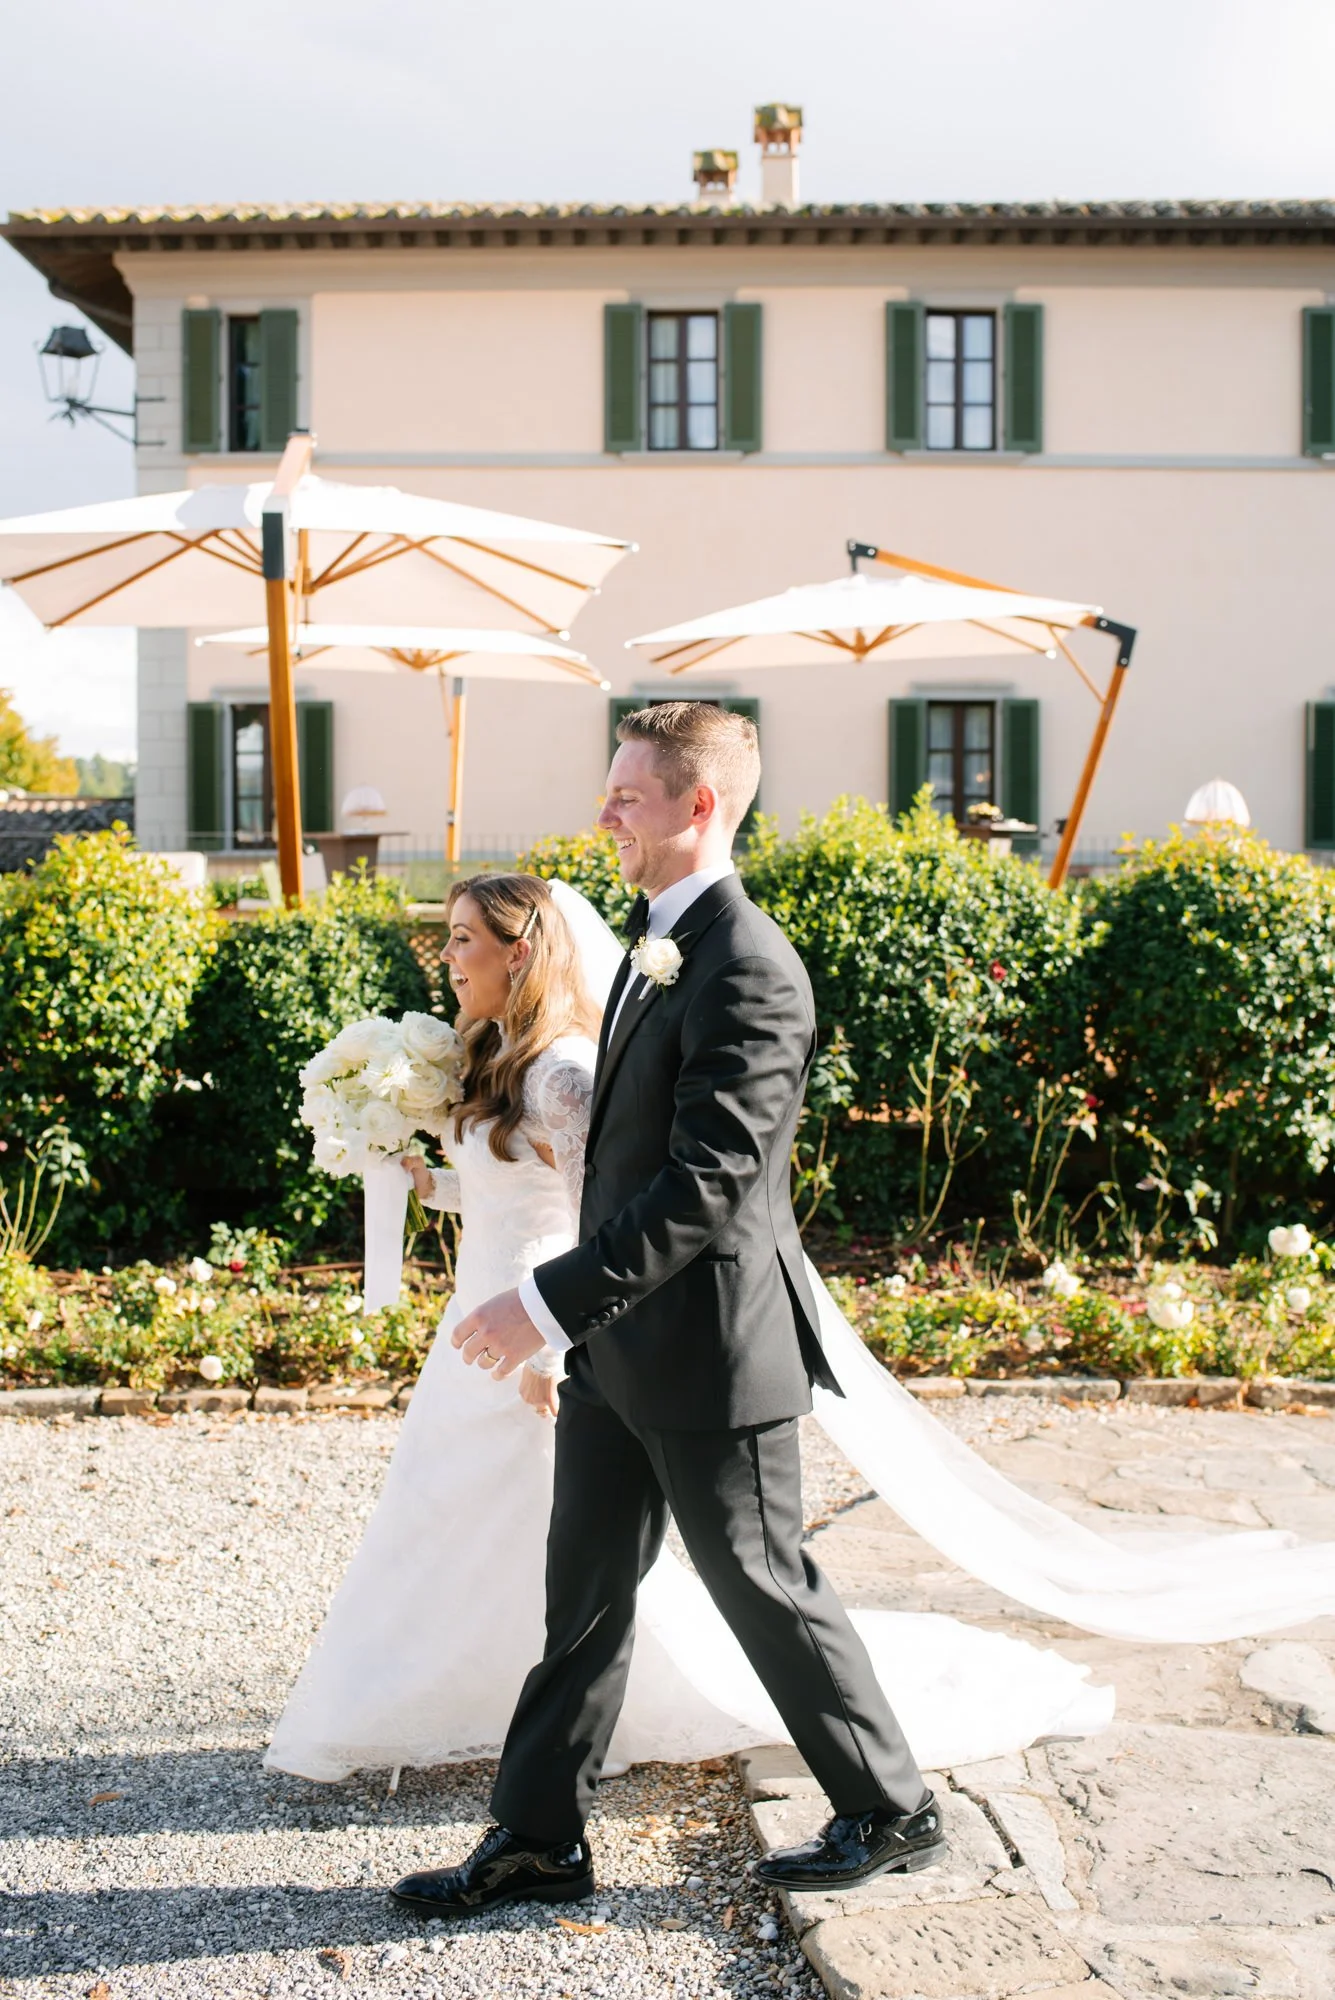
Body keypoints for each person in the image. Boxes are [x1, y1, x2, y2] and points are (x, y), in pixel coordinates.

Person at [268, 860, 1108, 1795]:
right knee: (532, 1557)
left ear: (522, 951)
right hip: (494, 1321)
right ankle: (525, 1797)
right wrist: (423, 1181)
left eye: (465, 936)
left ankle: (869, 1796)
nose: (448, 955)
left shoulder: (564, 1074)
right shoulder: (498, 1055)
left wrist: (553, 1336)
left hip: (547, 1328)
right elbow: (517, 1188)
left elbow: (606, 1209)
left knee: (695, 1568)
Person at [390, 702, 948, 1918]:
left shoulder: (754, 968)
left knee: (760, 1574)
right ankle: (538, 1835)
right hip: (615, 1346)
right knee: (580, 1591)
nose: (606, 815)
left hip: (707, 1348)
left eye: (628, 796)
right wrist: (571, 1315)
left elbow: (705, 1185)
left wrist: (539, 1300)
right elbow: (610, 1162)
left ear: (700, 806)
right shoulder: (657, 945)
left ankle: (889, 1802)